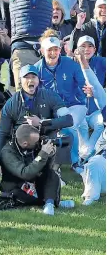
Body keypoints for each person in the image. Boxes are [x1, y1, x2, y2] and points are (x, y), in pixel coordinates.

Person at [34, 29, 91, 171]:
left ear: (60, 50)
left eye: (56, 50)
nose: (53, 53)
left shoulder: (70, 63)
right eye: (49, 50)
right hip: (53, 109)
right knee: (52, 129)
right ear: (42, 50)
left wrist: (88, 90)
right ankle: (53, 165)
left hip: (75, 105)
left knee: (69, 125)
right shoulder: (36, 69)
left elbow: (83, 83)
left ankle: (75, 162)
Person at [0, 64, 73, 166]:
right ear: (20, 80)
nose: (30, 80)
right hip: (23, 142)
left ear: (38, 80)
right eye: (26, 77)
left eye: (33, 77)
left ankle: (54, 169)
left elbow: (69, 120)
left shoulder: (50, 95)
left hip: (46, 138)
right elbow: (3, 133)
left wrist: (41, 122)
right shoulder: (11, 103)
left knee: (67, 135)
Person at [74, 35, 105, 159]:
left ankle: (87, 152)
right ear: (77, 49)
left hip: (95, 110)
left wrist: (99, 91)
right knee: (82, 126)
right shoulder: (70, 63)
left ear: (95, 48)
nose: (86, 49)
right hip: (78, 108)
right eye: (83, 46)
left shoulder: (102, 62)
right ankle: (86, 153)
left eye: (90, 46)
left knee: (100, 124)